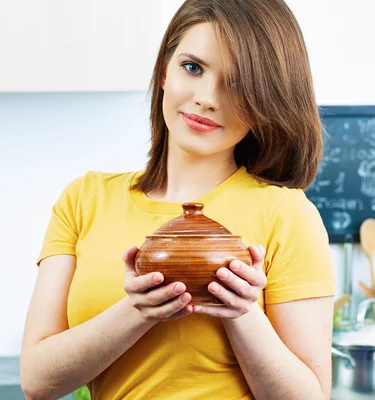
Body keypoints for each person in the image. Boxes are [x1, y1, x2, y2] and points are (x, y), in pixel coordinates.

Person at [19, 1, 335, 399]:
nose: (206, 98)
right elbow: (36, 381)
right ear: (165, 70)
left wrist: (242, 314)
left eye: (237, 84)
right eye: (193, 67)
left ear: (265, 103)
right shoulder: (84, 200)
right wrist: (136, 310)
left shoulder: (286, 213)